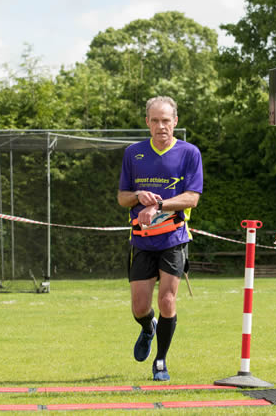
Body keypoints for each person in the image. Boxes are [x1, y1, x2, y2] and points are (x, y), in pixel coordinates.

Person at [118, 96, 203, 381]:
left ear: (175, 121)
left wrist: (159, 206)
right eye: (155, 120)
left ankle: (161, 361)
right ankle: (147, 327)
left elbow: (192, 198)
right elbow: (122, 197)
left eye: (166, 120)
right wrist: (138, 196)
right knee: (140, 307)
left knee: (168, 300)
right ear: (147, 123)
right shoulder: (133, 153)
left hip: (173, 238)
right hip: (142, 240)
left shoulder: (190, 153)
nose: (161, 126)